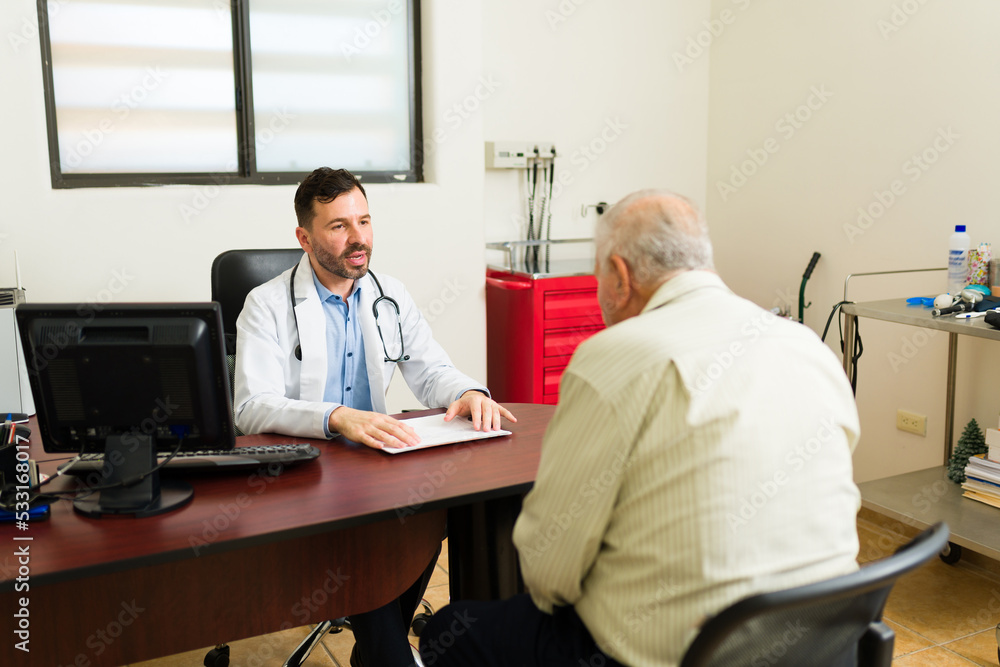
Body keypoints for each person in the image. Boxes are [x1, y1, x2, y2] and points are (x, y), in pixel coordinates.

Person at [418, 189, 861, 667]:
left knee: (449, 630)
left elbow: (548, 574)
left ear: (620, 276)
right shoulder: (807, 347)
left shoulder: (616, 357)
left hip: (684, 653)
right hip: (826, 642)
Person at [234, 167, 515, 667]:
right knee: (374, 547)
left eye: (364, 221)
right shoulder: (266, 305)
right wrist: (338, 417)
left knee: (440, 508)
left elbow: (432, 370)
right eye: (339, 225)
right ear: (304, 237)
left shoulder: (389, 294)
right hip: (307, 471)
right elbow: (252, 408)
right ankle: (385, 653)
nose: (358, 238)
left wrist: (469, 391)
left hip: (378, 468)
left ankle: (381, 649)